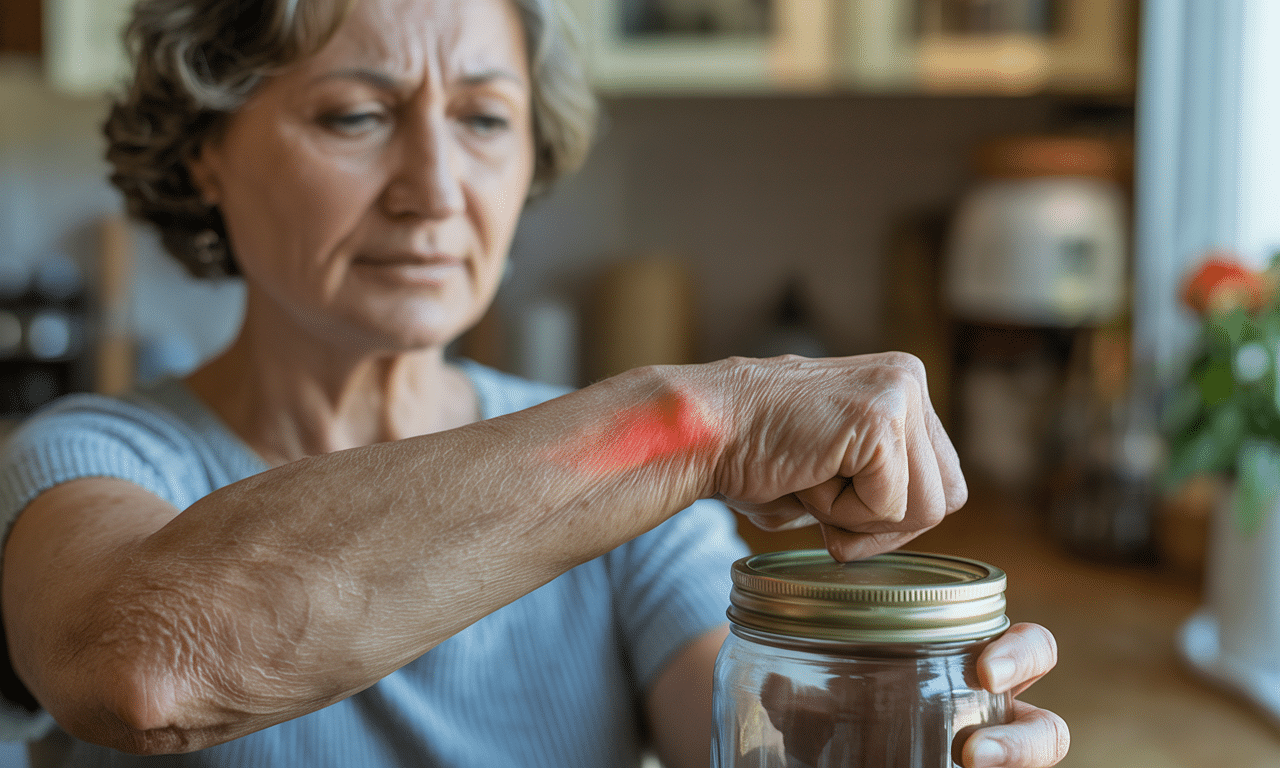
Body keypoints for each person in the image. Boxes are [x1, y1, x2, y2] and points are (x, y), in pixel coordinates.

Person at [0, 0, 1070, 766]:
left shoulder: (630, 496)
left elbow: (750, 735)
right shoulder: (84, 455)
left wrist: (925, 711)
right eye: (354, 115)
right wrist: (697, 420)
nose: (434, 189)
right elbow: (147, 670)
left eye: (482, 118)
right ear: (205, 152)